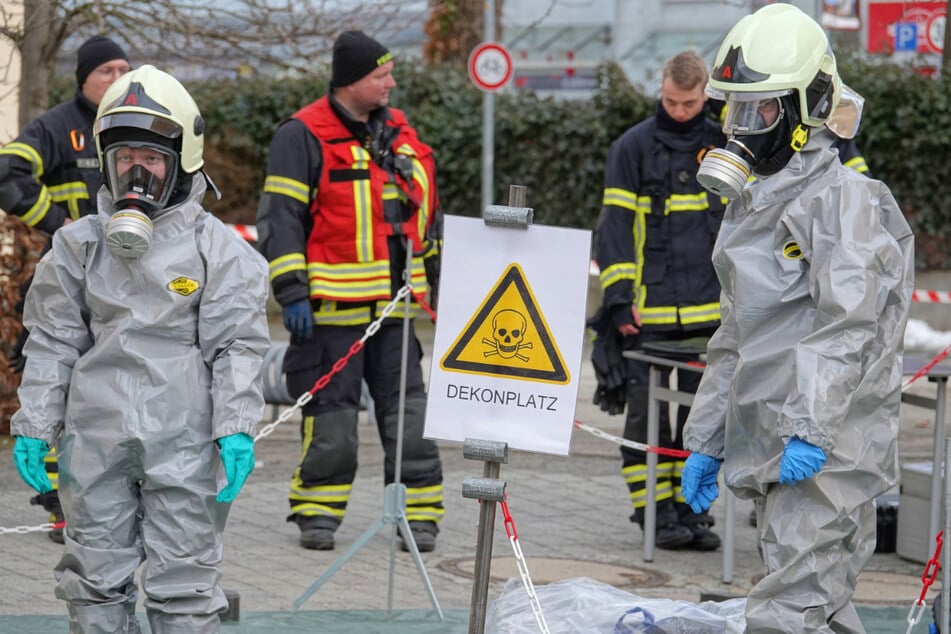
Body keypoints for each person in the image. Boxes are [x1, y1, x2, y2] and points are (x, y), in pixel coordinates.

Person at [10, 64, 270, 632]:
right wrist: (34, 423)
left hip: (185, 438)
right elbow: (53, 341)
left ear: (182, 165)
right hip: (95, 438)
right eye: (125, 157)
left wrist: (236, 423)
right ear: (106, 162)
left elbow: (236, 346)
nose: (137, 172)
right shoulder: (77, 247)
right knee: (93, 584)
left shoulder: (217, 251)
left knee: (185, 586)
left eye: (152, 160)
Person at [681, 5, 914, 631]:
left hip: (829, 447)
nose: (740, 128)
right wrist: (706, 437)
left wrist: (810, 431)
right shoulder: (755, 207)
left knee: (790, 606)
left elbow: (848, 327)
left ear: (808, 107)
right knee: (818, 600)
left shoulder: (843, 204)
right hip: (776, 439)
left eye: (758, 112)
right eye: (734, 109)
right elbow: (735, 335)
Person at [256, 30, 444, 553]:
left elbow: (430, 217)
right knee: (332, 418)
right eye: (381, 75)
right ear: (352, 82)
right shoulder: (301, 135)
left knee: (409, 414)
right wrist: (292, 293)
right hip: (331, 310)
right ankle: (317, 514)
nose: (392, 82)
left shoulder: (397, 132)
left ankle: (420, 515)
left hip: (396, 308)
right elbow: (282, 219)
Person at [591, 50, 725, 551]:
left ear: (705, 95)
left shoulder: (723, 146)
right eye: (671, 100)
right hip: (646, 318)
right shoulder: (632, 148)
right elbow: (615, 232)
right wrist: (619, 302)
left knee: (700, 424)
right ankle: (653, 514)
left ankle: (691, 512)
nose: (680, 110)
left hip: (709, 317)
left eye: (689, 102)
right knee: (647, 422)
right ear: (661, 90)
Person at [0, 35, 131, 543]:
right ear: (84, 79)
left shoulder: (135, 127)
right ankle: (61, 505)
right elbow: (8, 173)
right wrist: (57, 226)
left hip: (124, 286)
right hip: (67, 282)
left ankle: (110, 495)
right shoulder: (58, 127)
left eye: (125, 69)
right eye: (107, 71)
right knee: (62, 389)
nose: (118, 79)